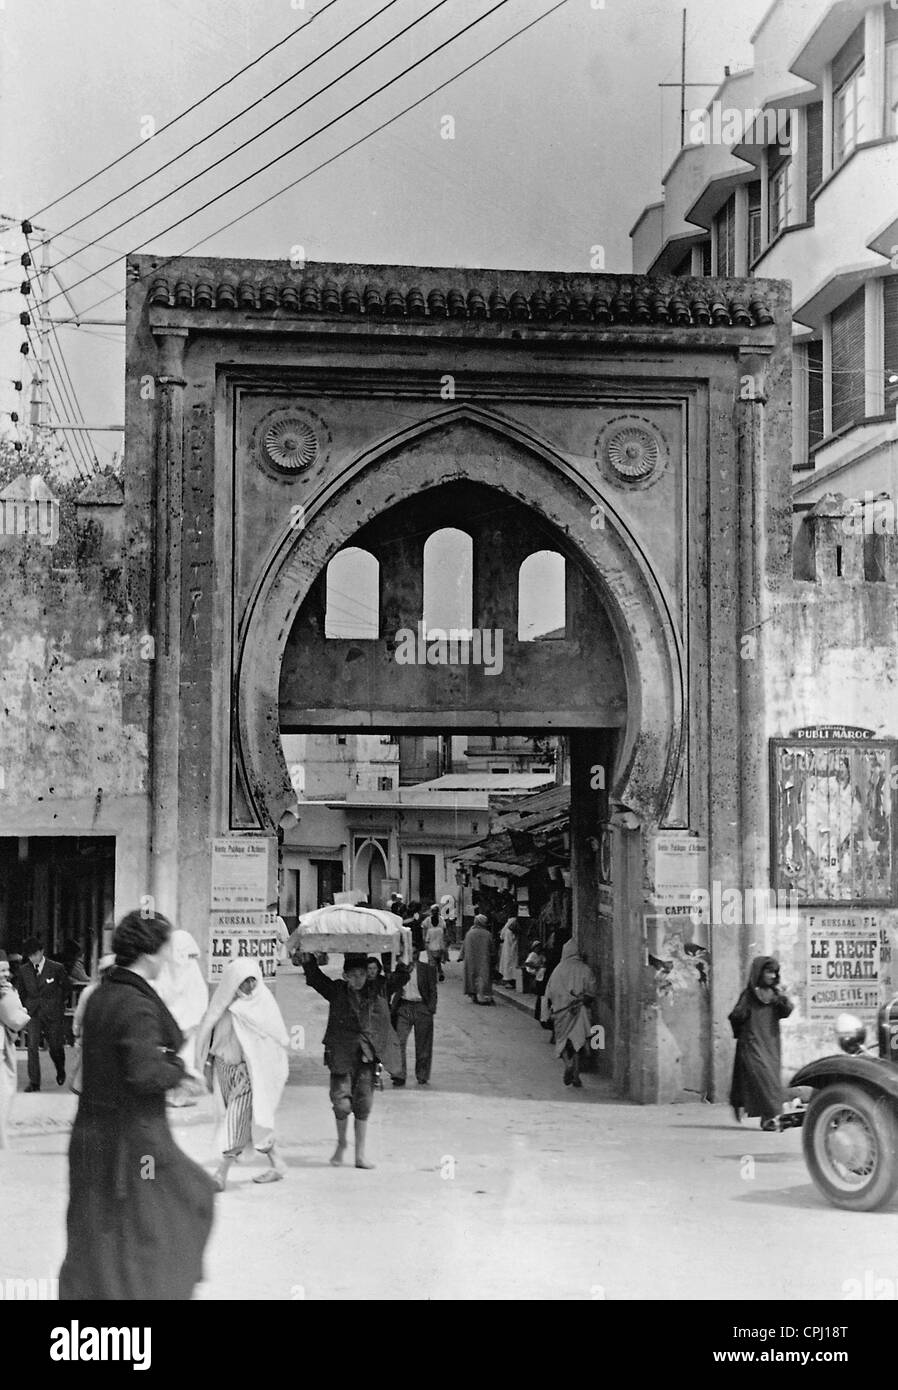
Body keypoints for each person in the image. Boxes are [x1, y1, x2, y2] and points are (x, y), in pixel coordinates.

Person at [58, 909, 216, 1301]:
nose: (167, 960)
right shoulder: (136, 1004)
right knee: (180, 1208)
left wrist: (171, 1065)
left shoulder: (103, 995)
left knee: (102, 1234)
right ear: (149, 952)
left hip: (93, 1136)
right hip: (135, 1143)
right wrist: (181, 1075)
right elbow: (144, 1073)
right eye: (165, 950)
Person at [195, 958, 290, 1190]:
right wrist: (206, 1068)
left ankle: (220, 1174)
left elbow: (275, 1042)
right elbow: (208, 1037)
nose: (248, 987)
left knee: (236, 1120)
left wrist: (261, 1070)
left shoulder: (263, 1004)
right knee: (250, 1120)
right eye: (243, 981)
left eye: (252, 981)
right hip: (223, 1071)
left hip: (248, 1074)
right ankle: (277, 1163)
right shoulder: (222, 1006)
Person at [301, 950, 400, 1168]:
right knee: (341, 1104)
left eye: (362, 975)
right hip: (340, 1055)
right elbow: (316, 979)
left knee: (363, 1103)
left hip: (366, 1056)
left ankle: (360, 1155)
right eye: (353, 975)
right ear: (345, 975)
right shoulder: (336, 990)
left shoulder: (374, 992)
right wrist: (308, 959)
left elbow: (397, 981)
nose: (358, 979)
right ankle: (341, 1143)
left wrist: (404, 960)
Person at [729, 956, 795, 1131]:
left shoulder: (775, 994)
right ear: (759, 973)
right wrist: (743, 1032)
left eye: (775, 972)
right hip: (752, 1043)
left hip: (771, 1044)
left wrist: (782, 996)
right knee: (763, 1078)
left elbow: (786, 1011)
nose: (773, 976)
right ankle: (772, 1116)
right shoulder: (749, 995)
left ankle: (768, 1119)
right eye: (769, 971)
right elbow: (736, 1016)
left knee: (771, 1080)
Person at [154, 928, 210, 1106]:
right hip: (178, 1024)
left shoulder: (178, 968)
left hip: (182, 1024)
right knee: (180, 1059)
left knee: (181, 1059)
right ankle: (174, 1094)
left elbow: (199, 998)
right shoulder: (174, 969)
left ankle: (176, 1095)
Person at [544, 940, 597, 1088]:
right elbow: (592, 991)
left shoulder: (558, 970)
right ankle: (576, 1075)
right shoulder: (585, 969)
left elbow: (550, 991)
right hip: (580, 1012)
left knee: (562, 1041)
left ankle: (568, 1064)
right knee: (578, 1043)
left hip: (562, 1012)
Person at [18, 937, 69, 1091]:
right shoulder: (24, 970)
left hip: (52, 1013)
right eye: (29, 956)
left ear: (42, 951)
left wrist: (59, 1005)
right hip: (33, 1012)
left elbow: (66, 988)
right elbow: (21, 992)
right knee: (32, 1046)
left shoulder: (56, 968)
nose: (33, 958)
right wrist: (26, 1007)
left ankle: (60, 1068)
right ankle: (34, 1082)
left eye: (35, 954)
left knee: (55, 1046)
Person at [68, 953, 116, 1096]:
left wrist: (76, 1031)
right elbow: (80, 1015)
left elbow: (78, 1016)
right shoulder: (90, 991)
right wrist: (77, 1032)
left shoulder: (93, 991)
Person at [390, 947, 438, 1087]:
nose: (413, 956)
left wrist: (431, 1008)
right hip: (404, 1006)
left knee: (423, 1043)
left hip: (421, 1006)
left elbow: (432, 989)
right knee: (399, 1041)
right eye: (410, 953)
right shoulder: (399, 970)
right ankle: (399, 1074)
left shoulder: (427, 969)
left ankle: (422, 1074)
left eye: (416, 953)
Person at [0, 950, 29, 1147]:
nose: (5, 974)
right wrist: (24, 1013)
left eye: (6, 970)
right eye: (1, 970)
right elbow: (16, 1019)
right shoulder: (4, 994)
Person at [459, 914, 495, 1005]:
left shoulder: (469, 933)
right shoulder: (487, 934)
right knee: (483, 976)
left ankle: (473, 995)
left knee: (471, 976)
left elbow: (464, 946)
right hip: (484, 958)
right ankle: (483, 996)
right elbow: (492, 948)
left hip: (470, 959)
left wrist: (461, 956)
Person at [424, 904, 446, 981]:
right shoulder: (440, 925)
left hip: (431, 947)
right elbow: (444, 932)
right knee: (438, 962)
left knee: (432, 962)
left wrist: (426, 943)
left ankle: (433, 976)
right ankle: (440, 973)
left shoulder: (429, 921)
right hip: (439, 947)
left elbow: (425, 932)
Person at [498, 915, 519, 988]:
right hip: (510, 949)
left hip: (507, 949)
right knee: (510, 964)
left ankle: (507, 980)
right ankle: (508, 980)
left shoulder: (507, 930)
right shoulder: (511, 932)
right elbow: (513, 942)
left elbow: (501, 936)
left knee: (507, 964)